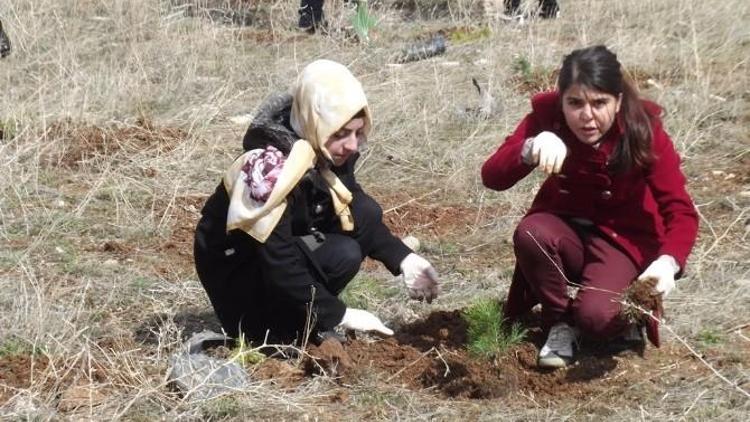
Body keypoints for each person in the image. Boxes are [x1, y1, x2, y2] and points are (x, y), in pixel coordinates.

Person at [194, 59, 439, 348]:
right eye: (341, 134)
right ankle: (273, 331)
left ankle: (301, 318)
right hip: (241, 273)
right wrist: (340, 314)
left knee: (352, 235)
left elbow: (354, 209)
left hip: (282, 249)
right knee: (339, 253)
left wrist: (403, 258)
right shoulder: (270, 168)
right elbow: (277, 257)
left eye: (358, 132)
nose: (351, 145)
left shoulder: (322, 148)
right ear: (316, 123)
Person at [481, 45, 698, 369]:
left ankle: (620, 314)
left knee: (596, 320)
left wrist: (668, 263)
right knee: (532, 233)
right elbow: (492, 177)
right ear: (562, 100)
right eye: (575, 103)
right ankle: (558, 323)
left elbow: (680, 210)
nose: (587, 116)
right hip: (565, 230)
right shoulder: (548, 119)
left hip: (622, 239)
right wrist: (529, 148)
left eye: (599, 103)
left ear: (618, 101)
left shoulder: (642, 129)